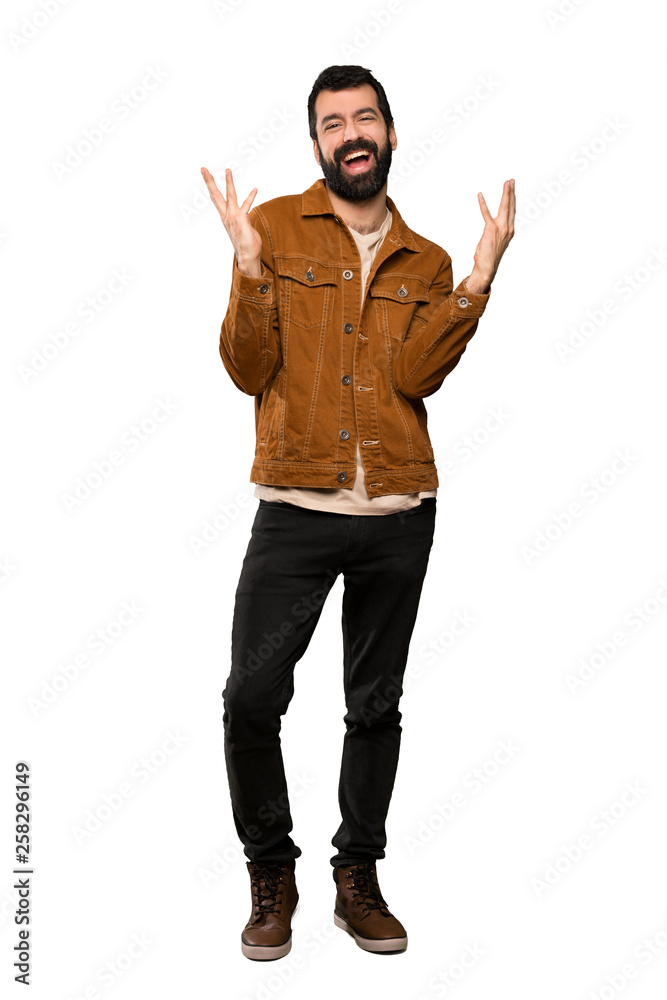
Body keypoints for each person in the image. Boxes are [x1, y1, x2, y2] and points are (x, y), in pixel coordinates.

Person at [202, 63, 514, 961]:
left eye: (364, 117)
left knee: (374, 706)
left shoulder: (429, 261)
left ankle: (358, 877)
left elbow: (417, 377)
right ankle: (273, 875)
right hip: (295, 510)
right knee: (250, 701)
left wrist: (478, 281)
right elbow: (244, 369)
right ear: (315, 145)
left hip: (397, 515)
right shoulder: (270, 230)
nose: (351, 134)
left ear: (388, 133)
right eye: (333, 122)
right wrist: (250, 272)